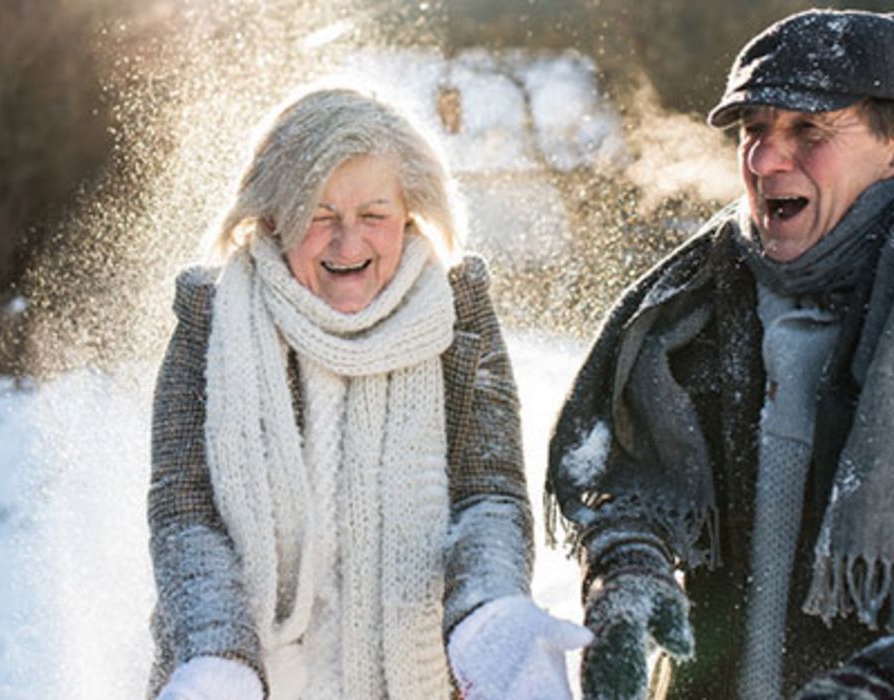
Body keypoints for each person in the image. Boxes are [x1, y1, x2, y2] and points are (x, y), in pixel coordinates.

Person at [546, 9, 894, 699]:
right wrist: (628, 570)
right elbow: (628, 479)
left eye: (807, 130)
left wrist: (893, 687)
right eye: (754, 131)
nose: (764, 159)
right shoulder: (691, 301)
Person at [147, 87, 591, 700]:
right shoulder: (213, 318)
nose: (348, 244)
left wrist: (487, 616)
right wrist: (220, 660)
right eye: (319, 216)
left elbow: (488, 494)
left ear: (411, 212)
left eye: (374, 216)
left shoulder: (457, 313)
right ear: (273, 216)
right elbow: (185, 514)